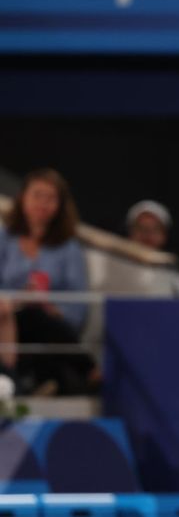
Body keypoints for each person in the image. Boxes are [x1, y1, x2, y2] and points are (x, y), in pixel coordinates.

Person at [0, 169, 96, 395]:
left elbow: (78, 305)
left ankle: (26, 387)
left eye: (50, 198)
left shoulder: (68, 247)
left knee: (39, 318)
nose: (42, 204)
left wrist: (52, 307)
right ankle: (89, 370)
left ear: (60, 205)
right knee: (27, 315)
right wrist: (18, 299)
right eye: (37, 195)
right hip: (6, 318)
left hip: (49, 325)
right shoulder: (5, 237)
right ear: (23, 197)